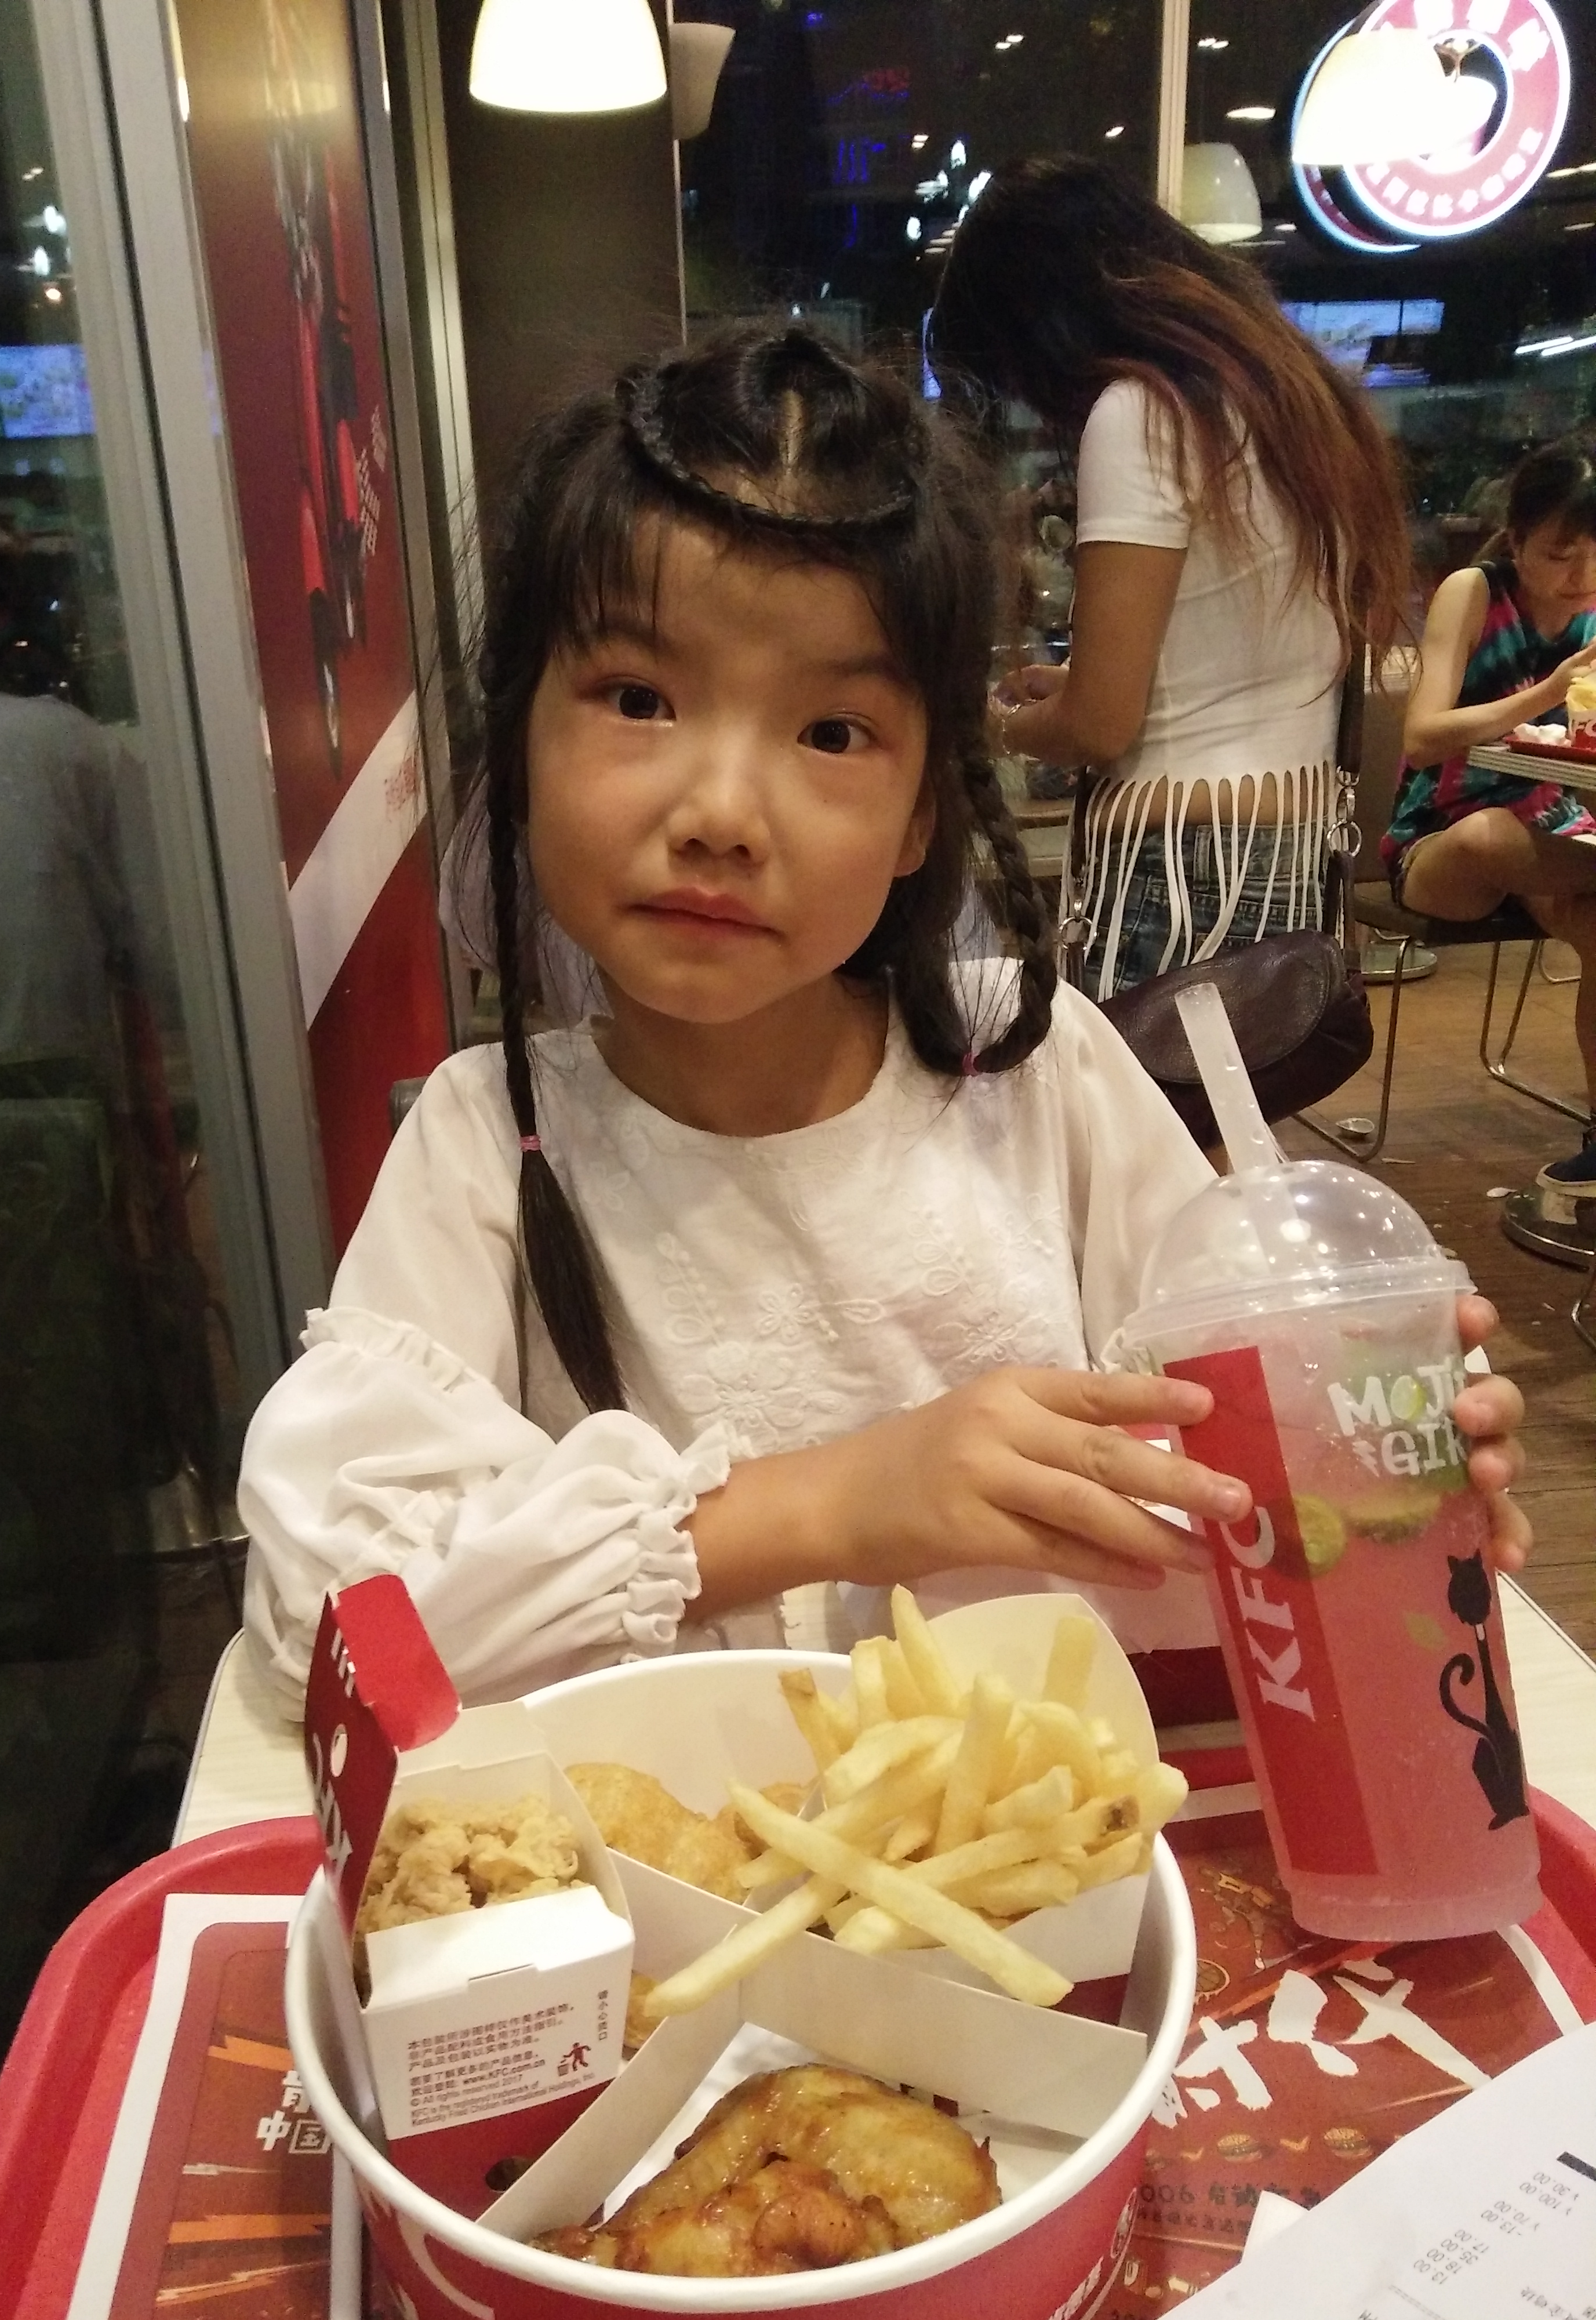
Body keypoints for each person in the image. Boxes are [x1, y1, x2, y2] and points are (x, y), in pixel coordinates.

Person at [237, 325, 1526, 1711]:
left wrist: (1363, 1444)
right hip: (661, 1836)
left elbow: (1215, 1443)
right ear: (520, 743)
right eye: (639, 699)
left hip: (1069, 1814)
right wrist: (831, 1502)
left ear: (922, 814)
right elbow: (339, 1628)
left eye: (832, 733)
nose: (721, 814)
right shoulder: (488, 1141)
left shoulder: (1033, 1068)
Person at [924, 156, 1410, 1001]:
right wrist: (1080, 686)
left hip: (1181, 867)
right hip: (1291, 850)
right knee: (1241, 1090)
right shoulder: (1288, 399)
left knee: (1140, 1092)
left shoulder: (1143, 413)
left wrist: (993, 728)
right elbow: (1242, 654)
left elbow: (1100, 726)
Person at [1387, 438, 1596, 1196]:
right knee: (1489, 832)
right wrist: (1550, 692)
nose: (1583, 577)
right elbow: (1422, 737)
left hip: (1553, 831)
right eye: (1562, 555)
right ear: (1517, 541)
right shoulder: (1473, 591)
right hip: (1441, 838)